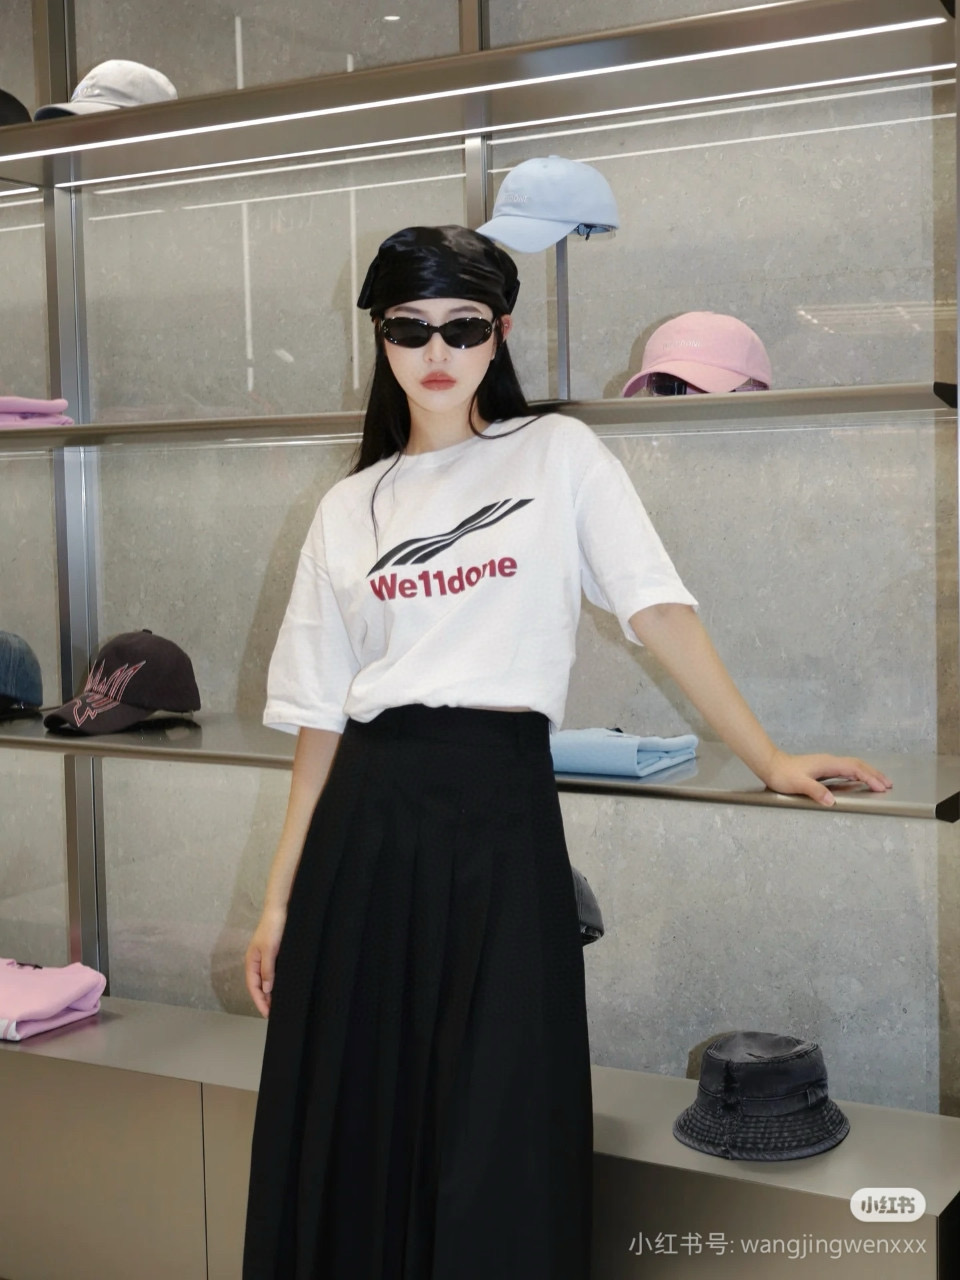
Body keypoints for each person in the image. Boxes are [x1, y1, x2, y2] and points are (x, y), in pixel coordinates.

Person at [241, 225, 892, 1280]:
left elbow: (658, 609)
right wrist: (278, 900)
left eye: (463, 327)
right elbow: (322, 717)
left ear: (499, 334)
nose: (437, 351)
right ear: (381, 338)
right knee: (361, 1107)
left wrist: (767, 756)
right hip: (368, 820)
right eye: (410, 328)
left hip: (501, 809)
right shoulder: (348, 505)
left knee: (501, 1104)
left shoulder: (556, 453)